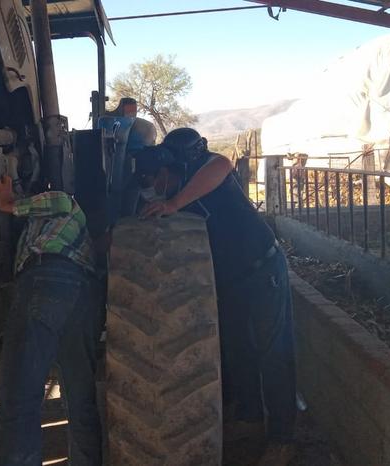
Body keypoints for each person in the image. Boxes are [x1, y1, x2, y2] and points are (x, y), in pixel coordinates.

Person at [137, 128, 297, 466]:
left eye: (161, 176)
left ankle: (283, 438)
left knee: (273, 353)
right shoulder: (179, 193)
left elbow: (222, 164)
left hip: (263, 268)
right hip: (232, 279)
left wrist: (173, 203)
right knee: (239, 350)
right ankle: (251, 420)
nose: (156, 183)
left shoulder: (211, 174)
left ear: (181, 164)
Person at [0, 176, 103, 466]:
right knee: (80, 401)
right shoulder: (40, 231)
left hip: (46, 282)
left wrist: (8, 203)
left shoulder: (65, 205)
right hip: (82, 298)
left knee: (19, 401)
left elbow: (57, 199)